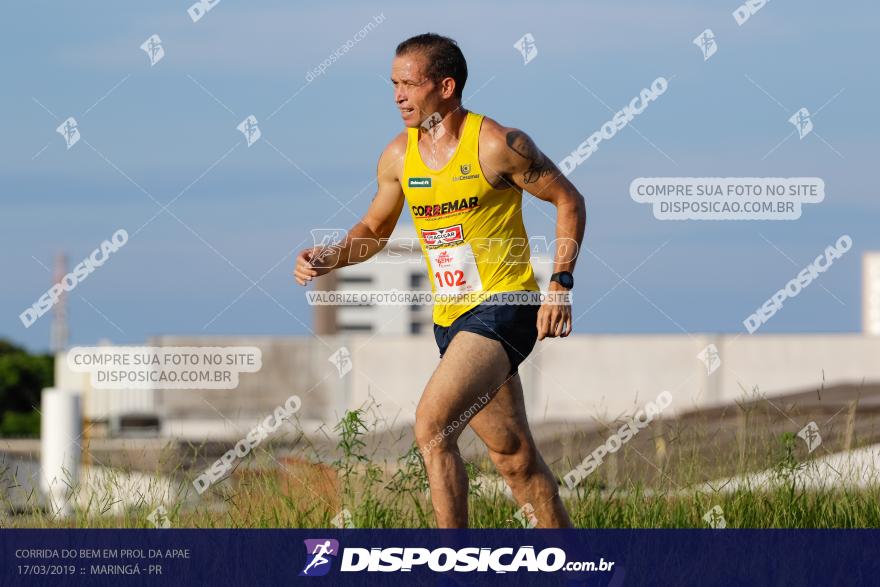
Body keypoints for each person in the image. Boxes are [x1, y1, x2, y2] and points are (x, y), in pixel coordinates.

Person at [294, 33, 586, 528]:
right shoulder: (398, 156)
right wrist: (331, 256)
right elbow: (374, 231)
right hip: (451, 320)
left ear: (446, 87)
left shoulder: (497, 144)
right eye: (393, 84)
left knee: (432, 427)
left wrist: (560, 284)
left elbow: (568, 200)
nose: (398, 96)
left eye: (409, 83)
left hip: (505, 306)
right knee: (514, 459)